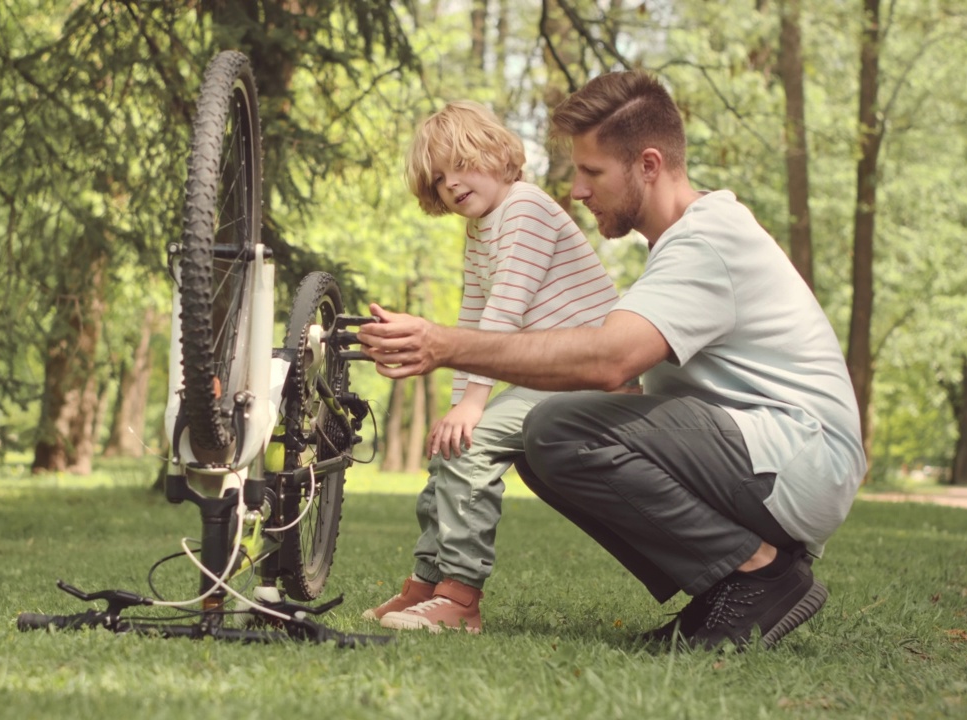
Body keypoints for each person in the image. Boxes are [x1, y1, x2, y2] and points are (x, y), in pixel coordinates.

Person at [357, 72, 866, 650]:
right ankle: (726, 584)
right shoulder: (679, 243)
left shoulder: (704, 242)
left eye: (591, 172)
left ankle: (759, 572)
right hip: (767, 458)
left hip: (797, 459)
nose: (575, 191)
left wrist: (444, 346)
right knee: (546, 443)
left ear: (648, 165)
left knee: (556, 427)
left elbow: (610, 361)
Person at [363, 100, 620, 634]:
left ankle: (459, 599)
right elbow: (472, 324)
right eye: (438, 179)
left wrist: (475, 405)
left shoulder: (525, 207)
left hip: (590, 375)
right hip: (551, 376)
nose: (451, 184)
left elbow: (506, 307)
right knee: (450, 444)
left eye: (461, 164)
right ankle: (426, 585)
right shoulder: (482, 229)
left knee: (471, 444)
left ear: (497, 153)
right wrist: (462, 404)